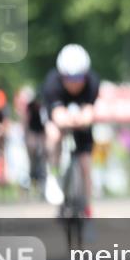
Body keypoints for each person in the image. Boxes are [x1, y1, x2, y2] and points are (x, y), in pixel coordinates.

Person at [42, 44, 100, 217]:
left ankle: (87, 210)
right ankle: (53, 176)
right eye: (69, 78)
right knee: (54, 134)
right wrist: (72, 119)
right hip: (60, 118)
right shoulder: (52, 84)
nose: (74, 83)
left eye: (79, 78)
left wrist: (82, 119)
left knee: (85, 164)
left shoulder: (92, 83)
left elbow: (89, 113)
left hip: (80, 120)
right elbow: (58, 116)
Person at [15, 85, 47, 194]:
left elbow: (45, 123)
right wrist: (27, 136)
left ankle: (41, 179)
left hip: (41, 134)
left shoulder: (43, 106)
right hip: (32, 133)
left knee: (42, 156)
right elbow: (26, 122)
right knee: (31, 157)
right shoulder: (30, 107)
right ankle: (31, 179)